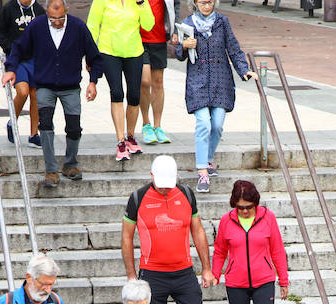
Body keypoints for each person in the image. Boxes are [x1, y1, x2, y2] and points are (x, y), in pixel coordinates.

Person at [1, 0, 101, 190]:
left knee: (74, 126)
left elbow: (94, 56)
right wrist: (11, 69)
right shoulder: (37, 25)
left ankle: (70, 164)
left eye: (61, 18)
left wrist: (93, 81)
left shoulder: (78, 27)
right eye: (53, 18)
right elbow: (18, 48)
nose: (57, 22)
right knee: (45, 124)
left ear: (67, 11)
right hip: (45, 84)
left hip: (70, 85)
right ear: (46, 12)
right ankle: (51, 169)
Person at [123, 154, 214, 304]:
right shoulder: (138, 198)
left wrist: (207, 268)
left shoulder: (186, 194)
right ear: (151, 175)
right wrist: (131, 275)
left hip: (184, 272)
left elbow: (197, 230)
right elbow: (126, 237)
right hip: (152, 274)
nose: (165, 188)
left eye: (168, 184)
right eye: (161, 183)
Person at [171, 0, 255, 193]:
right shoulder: (188, 23)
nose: (206, 6)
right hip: (197, 81)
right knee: (203, 124)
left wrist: (244, 70)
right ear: (195, 3)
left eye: (210, 2)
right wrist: (183, 45)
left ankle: (208, 159)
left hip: (220, 80)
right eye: (202, 2)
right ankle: (203, 172)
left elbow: (233, 48)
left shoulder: (222, 22)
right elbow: (178, 54)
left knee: (217, 124)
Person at [85, 0, 152, 160]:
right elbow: (92, 26)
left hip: (134, 52)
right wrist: (90, 53)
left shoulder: (140, 1)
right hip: (108, 51)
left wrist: (142, 4)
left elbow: (149, 25)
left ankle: (130, 136)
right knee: (117, 92)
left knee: (134, 96)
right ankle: (120, 140)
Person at [0, 0, 41, 148]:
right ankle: (12, 122)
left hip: (35, 59)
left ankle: (34, 134)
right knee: (23, 91)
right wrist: (10, 48)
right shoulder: (9, 8)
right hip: (17, 59)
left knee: (36, 95)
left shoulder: (38, 10)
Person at [136, 0, 174, 146]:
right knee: (144, 81)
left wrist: (174, 30)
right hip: (139, 37)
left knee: (158, 82)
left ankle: (157, 126)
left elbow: (174, 4)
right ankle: (146, 124)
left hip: (159, 37)